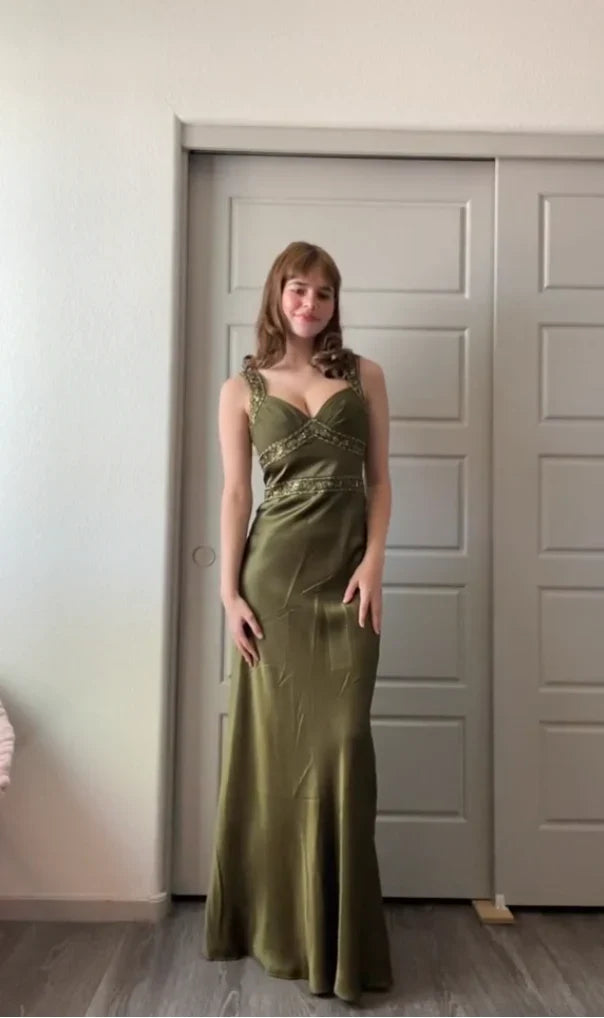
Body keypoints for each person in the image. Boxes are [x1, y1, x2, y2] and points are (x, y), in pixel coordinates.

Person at [204, 240, 393, 1003]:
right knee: (275, 762)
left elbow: (380, 480)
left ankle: (340, 947)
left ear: (335, 302)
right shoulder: (241, 388)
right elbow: (233, 496)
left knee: (343, 747)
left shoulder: (365, 376)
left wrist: (374, 562)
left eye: (322, 292)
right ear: (276, 296)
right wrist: (228, 593)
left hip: (347, 588)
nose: (309, 303)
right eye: (297, 289)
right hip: (272, 586)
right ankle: (276, 930)